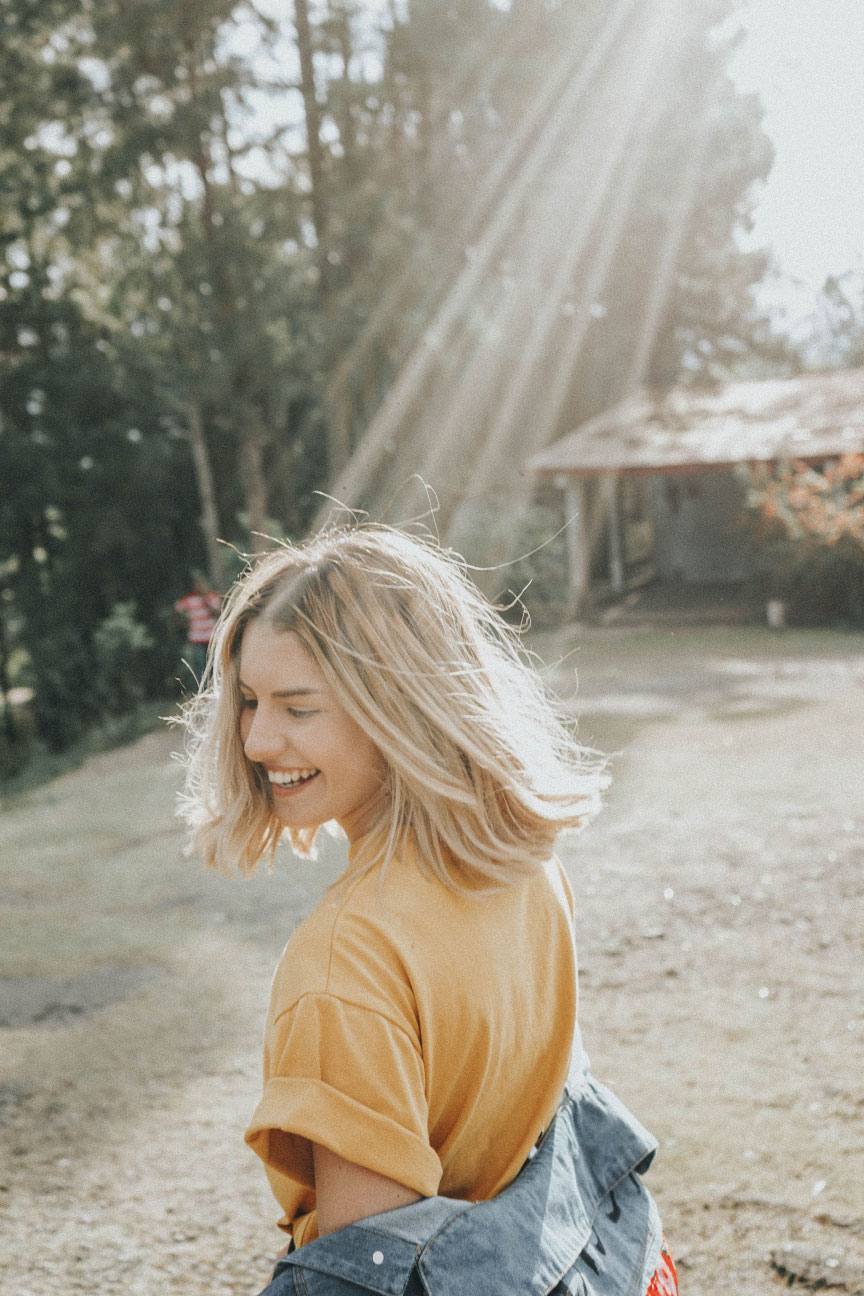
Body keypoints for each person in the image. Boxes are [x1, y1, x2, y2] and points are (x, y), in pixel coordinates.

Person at [177, 525, 678, 1296]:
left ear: (398, 707)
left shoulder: (348, 959)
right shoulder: (520, 859)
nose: (255, 738)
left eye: (298, 708)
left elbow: (374, 1275)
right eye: (247, 700)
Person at [173, 575, 222, 681]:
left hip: (211, 638)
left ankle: (215, 688)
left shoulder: (212, 597)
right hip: (197, 639)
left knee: (214, 665)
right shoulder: (189, 599)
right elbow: (176, 609)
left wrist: (205, 600)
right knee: (200, 667)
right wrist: (183, 624)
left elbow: (217, 612)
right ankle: (202, 690)